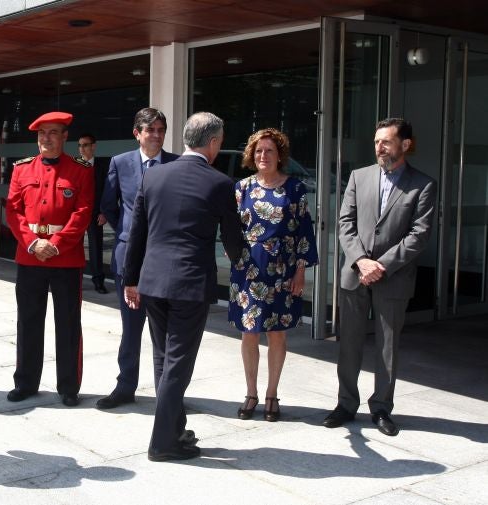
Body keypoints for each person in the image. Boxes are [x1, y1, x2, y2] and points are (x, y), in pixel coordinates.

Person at [123, 112, 243, 461]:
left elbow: (137, 234)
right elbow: (233, 239)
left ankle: (175, 428)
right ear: (213, 142)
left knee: (163, 359)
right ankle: (163, 442)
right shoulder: (220, 182)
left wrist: (131, 279)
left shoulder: (154, 176)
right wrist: (243, 261)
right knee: (178, 363)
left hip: (153, 281)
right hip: (190, 283)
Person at [323, 118, 436, 436]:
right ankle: (346, 404)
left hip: (393, 277)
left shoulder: (423, 185)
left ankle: (382, 408)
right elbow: (345, 222)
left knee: (388, 346)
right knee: (350, 344)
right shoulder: (359, 177)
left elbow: (419, 235)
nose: (379, 147)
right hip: (355, 274)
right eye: (376, 142)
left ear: (405, 144)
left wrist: (380, 265)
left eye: (386, 141)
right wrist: (361, 260)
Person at [228, 128, 318, 422]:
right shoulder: (241, 188)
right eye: (258, 151)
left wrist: (301, 271)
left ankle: (271, 394)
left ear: (280, 155)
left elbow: (304, 232)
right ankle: (251, 393)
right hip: (248, 268)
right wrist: (233, 256)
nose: (263, 156)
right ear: (251, 156)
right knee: (249, 332)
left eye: (269, 151)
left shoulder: (294, 189)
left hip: (282, 269)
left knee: (276, 332)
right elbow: (231, 229)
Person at [5, 111, 94, 407]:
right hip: (30, 258)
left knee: (67, 324)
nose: (46, 138)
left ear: (65, 136)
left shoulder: (80, 170)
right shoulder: (21, 170)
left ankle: (68, 386)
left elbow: (82, 214)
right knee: (28, 322)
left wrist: (54, 245)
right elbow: (13, 212)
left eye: (53, 133)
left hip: (65, 259)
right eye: (42, 133)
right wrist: (33, 244)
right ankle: (26, 383)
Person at [96, 108, 180, 410]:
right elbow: (109, 204)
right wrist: (129, 234)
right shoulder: (120, 163)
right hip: (128, 259)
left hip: (163, 261)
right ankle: (125, 386)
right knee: (131, 328)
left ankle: (168, 393)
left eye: (161, 130)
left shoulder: (176, 164)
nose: (156, 135)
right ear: (137, 133)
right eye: (150, 130)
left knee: (165, 331)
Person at [76, 133, 110, 294]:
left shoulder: (104, 165)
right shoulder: (74, 165)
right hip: (77, 215)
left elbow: (108, 191)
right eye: (80, 145)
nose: (82, 149)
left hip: (96, 214)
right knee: (75, 248)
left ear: (93, 146)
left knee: (96, 248)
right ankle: (76, 280)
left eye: (85, 145)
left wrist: (104, 212)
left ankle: (98, 281)